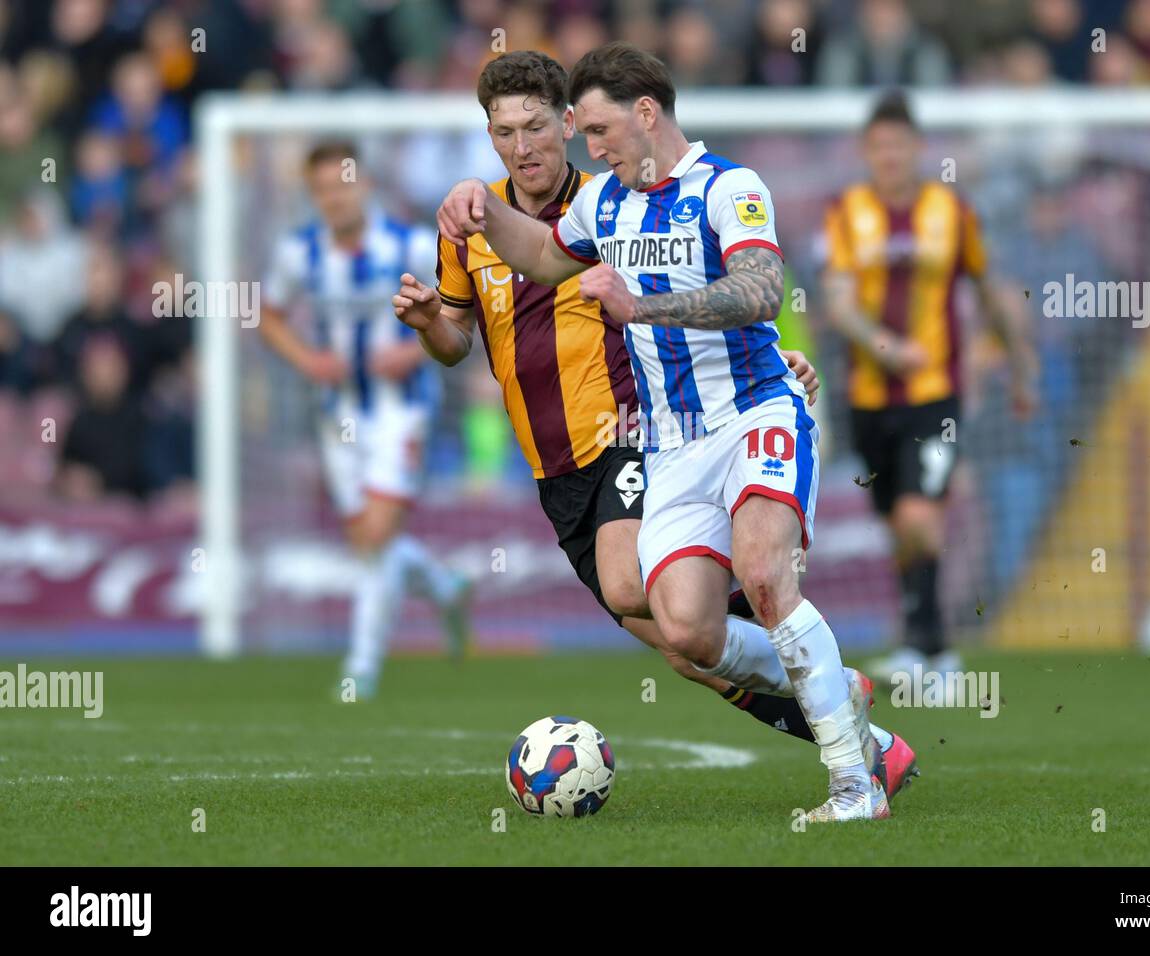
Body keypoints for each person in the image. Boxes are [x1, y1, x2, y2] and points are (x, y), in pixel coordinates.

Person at [432, 44, 897, 821]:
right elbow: (544, 257)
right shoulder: (603, 204)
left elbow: (759, 288)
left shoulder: (729, 187)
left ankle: (854, 787)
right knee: (686, 632)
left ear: (647, 112)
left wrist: (643, 309)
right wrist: (479, 208)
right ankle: (828, 682)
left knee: (763, 571)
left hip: (754, 412)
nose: (593, 148)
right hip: (675, 447)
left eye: (602, 130)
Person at [821, 91, 1037, 684]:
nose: (890, 156)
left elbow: (989, 290)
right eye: (879, 146)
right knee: (897, 525)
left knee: (921, 516)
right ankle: (922, 642)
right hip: (869, 398)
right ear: (867, 152)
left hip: (936, 394)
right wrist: (883, 345)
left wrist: (1020, 364)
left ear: (917, 149)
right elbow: (837, 302)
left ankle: (936, 649)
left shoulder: (952, 211)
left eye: (899, 145)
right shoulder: (845, 212)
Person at [260, 141, 472, 699]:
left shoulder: (409, 243)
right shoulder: (299, 252)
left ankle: (363, 666)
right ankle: (445, 587)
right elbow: (270, 314)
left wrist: (409, 350)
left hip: (402, 407)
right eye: (323, 189)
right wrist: (308, 360)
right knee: (367, 541)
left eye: (343, 184)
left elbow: (458, 306)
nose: (334, 197)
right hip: (340, 414)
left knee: (377, 537)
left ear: (366, 184)